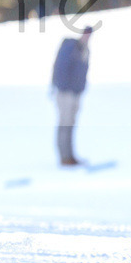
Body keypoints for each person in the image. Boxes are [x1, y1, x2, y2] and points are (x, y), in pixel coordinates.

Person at [51, 26, 93, 166]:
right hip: (65, 93)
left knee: (71, 125)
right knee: (64, 124)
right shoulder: (71, 47)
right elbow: (61, 68)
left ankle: (70, 155)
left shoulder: (85, 50)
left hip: (76, 93)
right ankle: (64, 157)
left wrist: (80, 88)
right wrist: (65, 87)